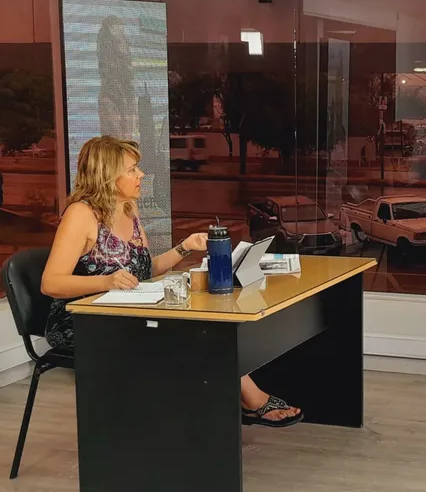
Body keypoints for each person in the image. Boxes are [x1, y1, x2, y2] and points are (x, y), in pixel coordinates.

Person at [41, 136, 302, 427]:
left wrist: (185, 247)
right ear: (106, 175)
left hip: (127, 312)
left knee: (207, 330)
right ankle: (236, 406)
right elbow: (51, 284)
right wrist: (106, 282)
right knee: (190, 338)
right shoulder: (80, 214)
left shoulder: (128, 209)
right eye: (132, 170)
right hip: (83, 321)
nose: (141, 175)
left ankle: (220, 412)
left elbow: (146, 270)